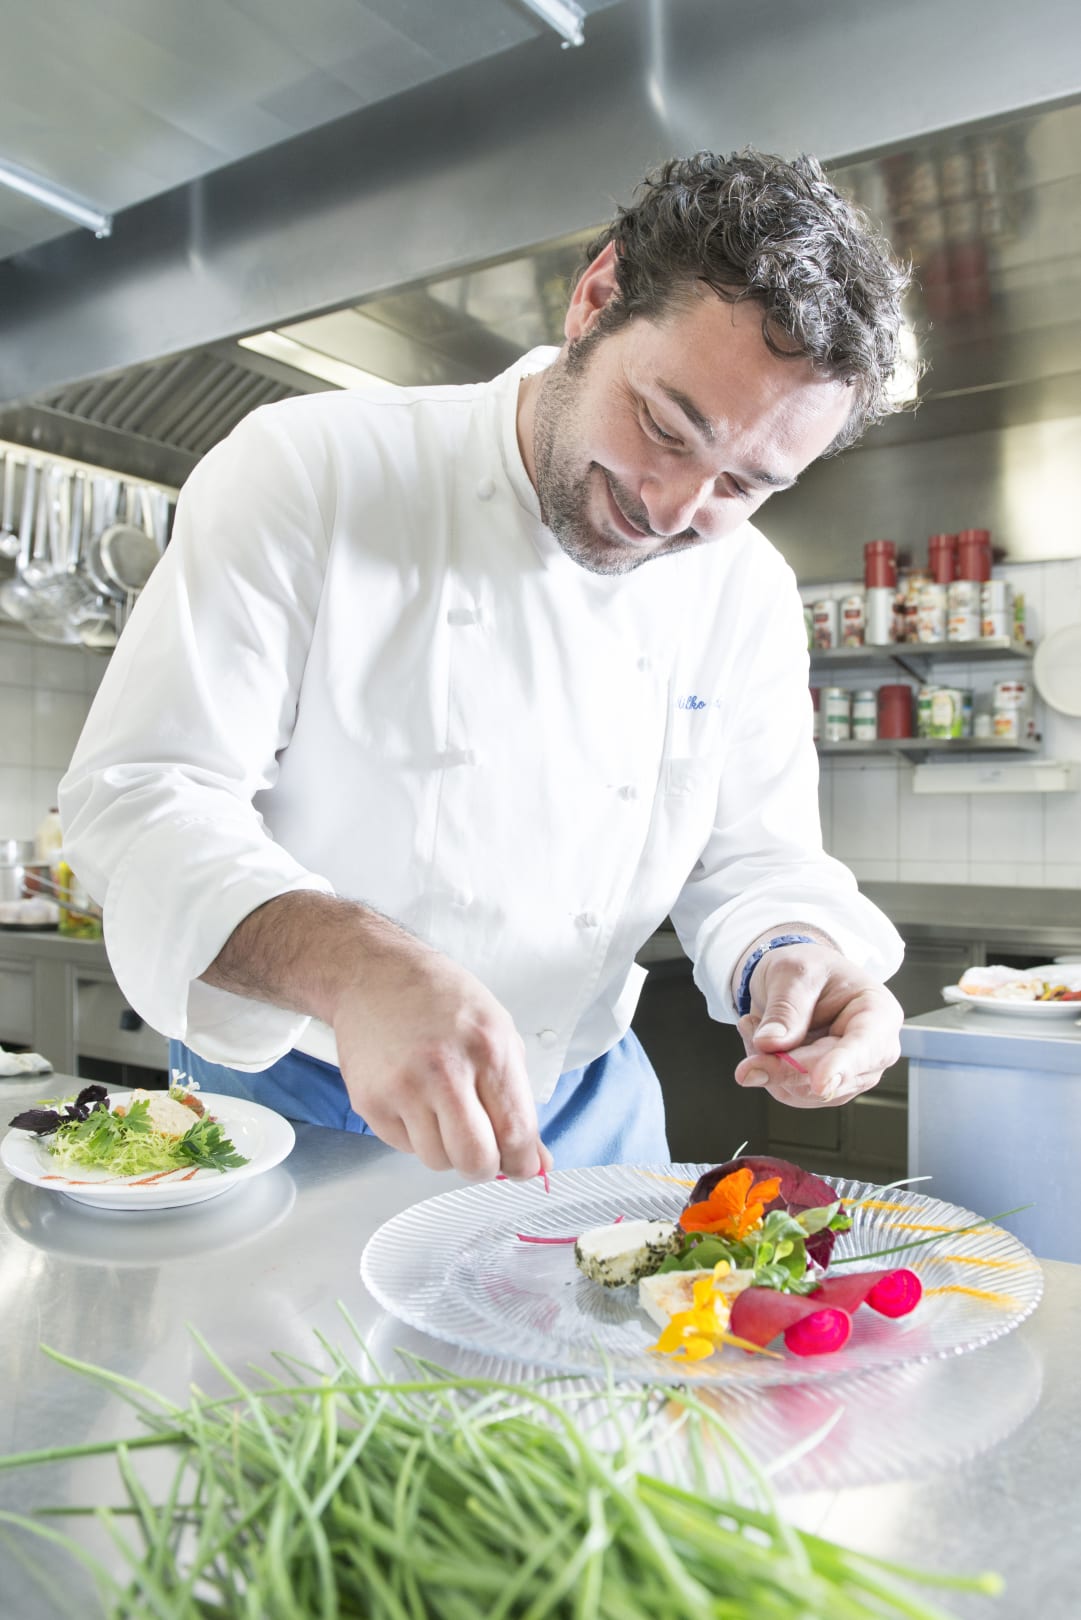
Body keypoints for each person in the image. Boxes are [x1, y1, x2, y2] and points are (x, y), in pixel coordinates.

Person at [60, 149, 909, 1182]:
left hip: (586, 1115)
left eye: (744, 485)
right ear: (595, 299)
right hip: (298, 1102)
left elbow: (757, 861)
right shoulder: (312, 468)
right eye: (663, 427)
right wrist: (356, 967)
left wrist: (795, 956)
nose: (673, 510)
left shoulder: (747, 589)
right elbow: (141, 797)